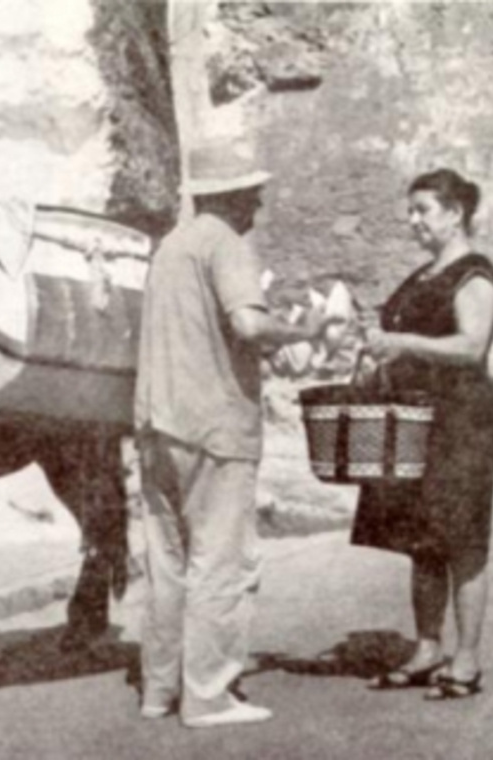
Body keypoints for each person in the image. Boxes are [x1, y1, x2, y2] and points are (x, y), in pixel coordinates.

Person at [134, 140, 337, 728]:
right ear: (233, 195)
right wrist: (306, 329)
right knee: (221, 561)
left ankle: (159, 689)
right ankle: (209, 695)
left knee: (167, 562)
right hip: (214, 427)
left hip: (157, 421)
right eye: (253, 193)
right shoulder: (226, 244)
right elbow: (247, 323)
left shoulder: (172, 247)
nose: (260, 204)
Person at [354, 168, 493, 701]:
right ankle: (426, 649)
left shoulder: (474, 275)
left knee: (462, 541)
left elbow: (470, 347)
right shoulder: (423, 276)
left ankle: (466, 660)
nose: (411, 220)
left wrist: (401, 341)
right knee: (421, 541)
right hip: (415, 420)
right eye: (411, 210)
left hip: (461, 423)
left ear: (455, 213)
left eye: (423, 210)